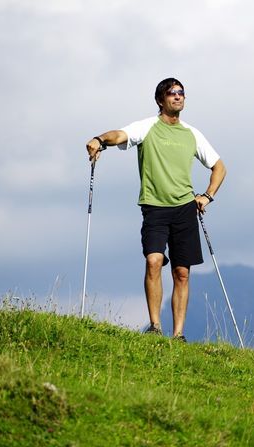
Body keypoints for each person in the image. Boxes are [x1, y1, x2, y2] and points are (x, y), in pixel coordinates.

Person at [85, 77, 227, 342]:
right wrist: (99, 139)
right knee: (154, 261)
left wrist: (207, 196)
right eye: (172, 93)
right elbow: (120, 135)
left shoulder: (191, 133)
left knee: (182, 273)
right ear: (160, 100)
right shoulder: (147, 127)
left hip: (185, 208)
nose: (178, 96)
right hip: (154, 207)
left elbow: (219, 167)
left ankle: (178, 335)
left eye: (181, 92)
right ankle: (154, 327)